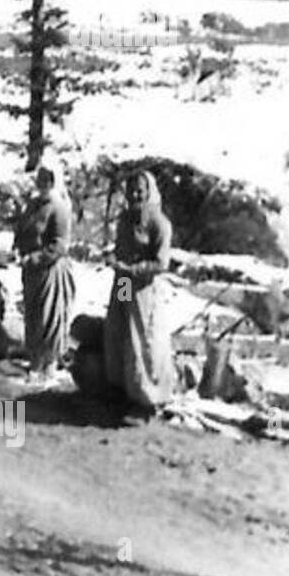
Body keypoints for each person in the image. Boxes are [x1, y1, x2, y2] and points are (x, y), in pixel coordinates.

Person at [104, 169, 174, 420]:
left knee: (141, 338)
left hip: (143, 290)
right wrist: (113, 258)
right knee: (119, 329)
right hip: (123, 283)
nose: (135, 194)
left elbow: (161, 262)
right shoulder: (125, 218)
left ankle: (146, 398)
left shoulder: (159, 223)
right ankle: (122, 388)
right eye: (131, 189)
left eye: (140, 189)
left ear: (149, 191)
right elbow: (122, 247)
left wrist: (134, 269)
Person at [14, 159, 77, 383]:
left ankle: (49, 363)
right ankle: (35, 360)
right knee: (32, 315)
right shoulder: (33, 205)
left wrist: (36, 258)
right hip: (32, 271)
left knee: (49, 316)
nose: (43, 183)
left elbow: (60, 245)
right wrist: (18, 249)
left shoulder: (59, 207)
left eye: (48, 179)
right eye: (40, 178)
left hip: (51, 271)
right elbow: (23, 229)